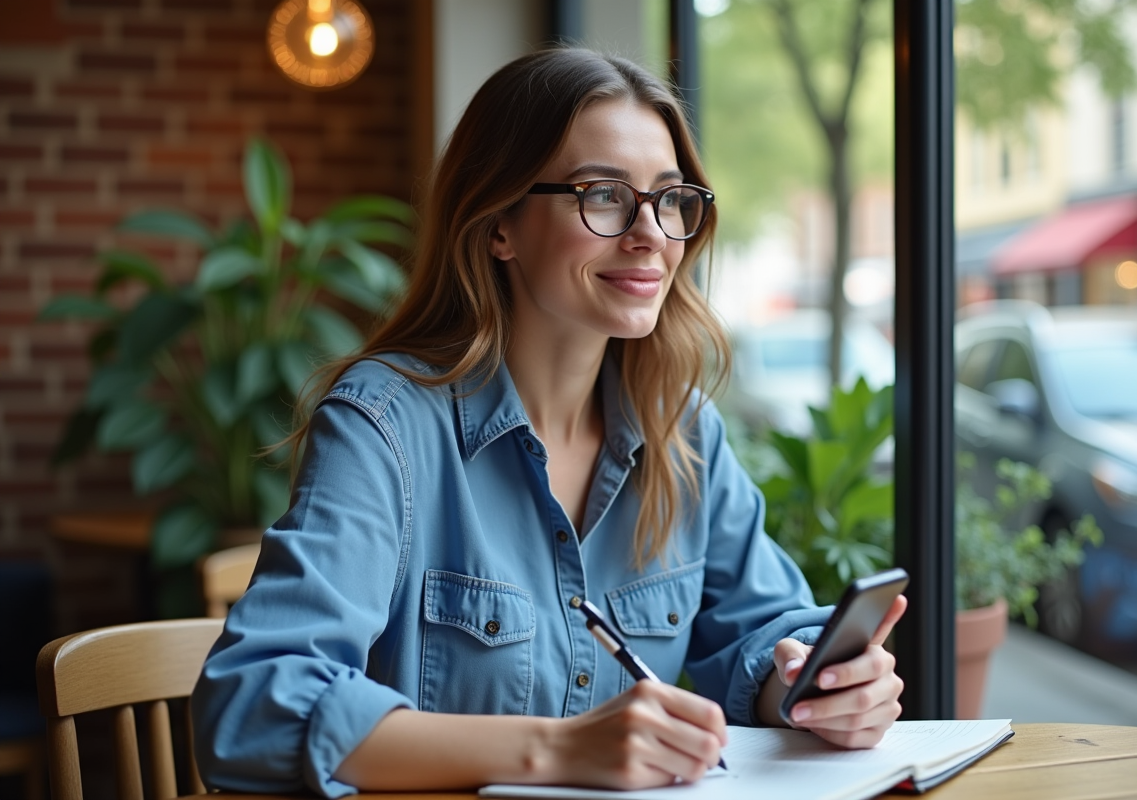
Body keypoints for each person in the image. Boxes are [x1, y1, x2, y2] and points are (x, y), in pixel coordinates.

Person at [192, 47, 906, 797]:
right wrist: (558, 750)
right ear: (499, 224)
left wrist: (817, 689)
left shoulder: (683, 429)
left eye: (670, 199)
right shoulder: (386, 426)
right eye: (603, 196)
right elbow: (252, 708)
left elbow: (761, 636)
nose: (652, 235)